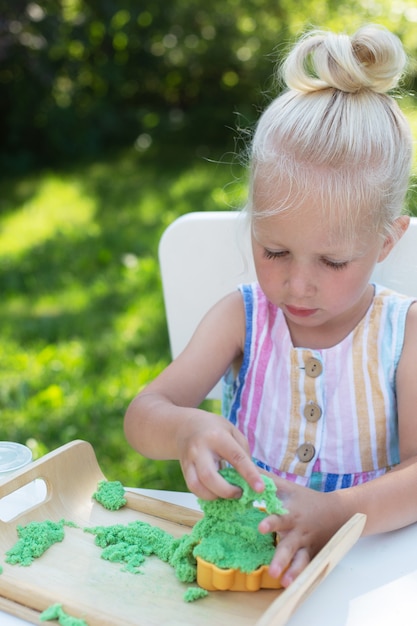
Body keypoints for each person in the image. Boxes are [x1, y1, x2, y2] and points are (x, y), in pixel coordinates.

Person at [124, 24, 417, 588]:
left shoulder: (402, 334)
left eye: (332, 263)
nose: (296, 286)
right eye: (275, 250)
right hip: (244, 572)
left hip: (367, 576)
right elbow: (144, 414)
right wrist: (186, 429)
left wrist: (336, 512)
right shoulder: (244, 318)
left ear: (386, 241)